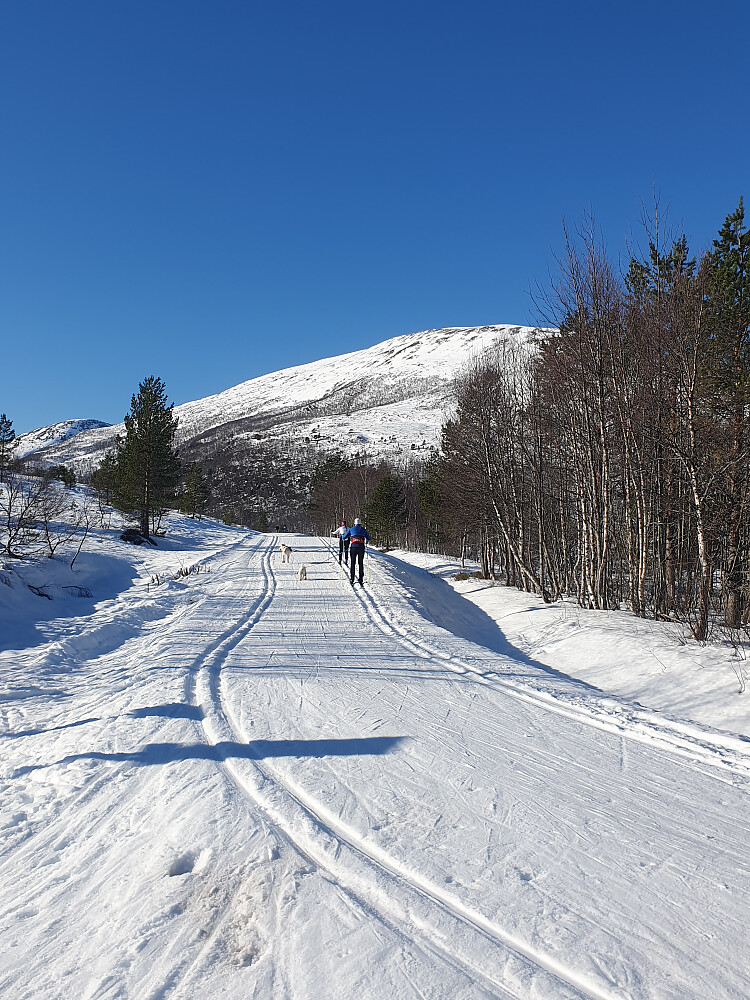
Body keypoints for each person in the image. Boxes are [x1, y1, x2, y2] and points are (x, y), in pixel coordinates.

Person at [344, 518, 370, 585]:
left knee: (353, 563)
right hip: (361, 548)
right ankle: (361, 579)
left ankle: (352, 578)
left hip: (353, 548)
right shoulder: (363, 530)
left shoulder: (351, 529)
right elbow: (369, 538)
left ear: (354, 523)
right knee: (360, 563)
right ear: (360, 524)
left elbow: (344, 537)